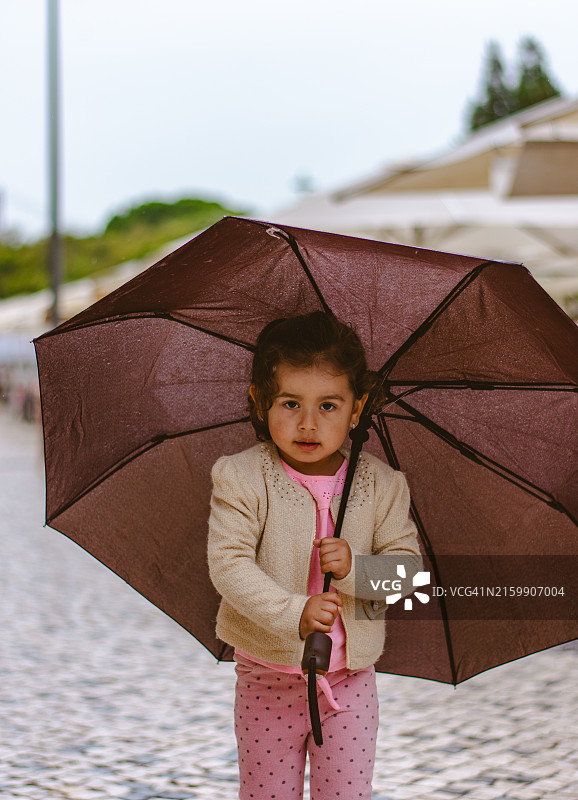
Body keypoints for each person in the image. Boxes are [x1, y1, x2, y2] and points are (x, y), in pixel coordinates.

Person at [207, 311, 421, 800]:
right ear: (260, 402)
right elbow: (230, 564)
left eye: (328, 405)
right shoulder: (242, 478)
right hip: (266, 680)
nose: (307, 423)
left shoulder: (382, 485)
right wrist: (294, 612)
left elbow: (407, 573)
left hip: (348, 685)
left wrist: (355, 570)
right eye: (289, 403)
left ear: (357, 407)